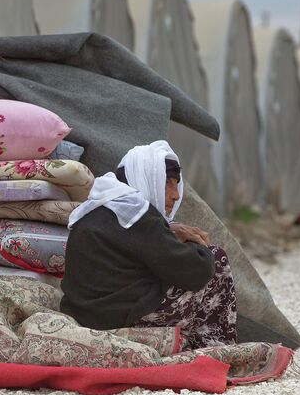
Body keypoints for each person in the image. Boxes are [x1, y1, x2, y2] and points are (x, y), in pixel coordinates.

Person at [60, 141, 236, 349]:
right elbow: (196, 270)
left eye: (175, 184)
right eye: (166, 182)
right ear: (145, 178)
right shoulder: (137, 213)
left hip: (86, 314)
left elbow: (147, 249)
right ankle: (215, 344)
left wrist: (167, 231)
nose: (175, 194)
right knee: (216, 258)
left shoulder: (98, 208)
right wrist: (195, 244)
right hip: (119, 317)